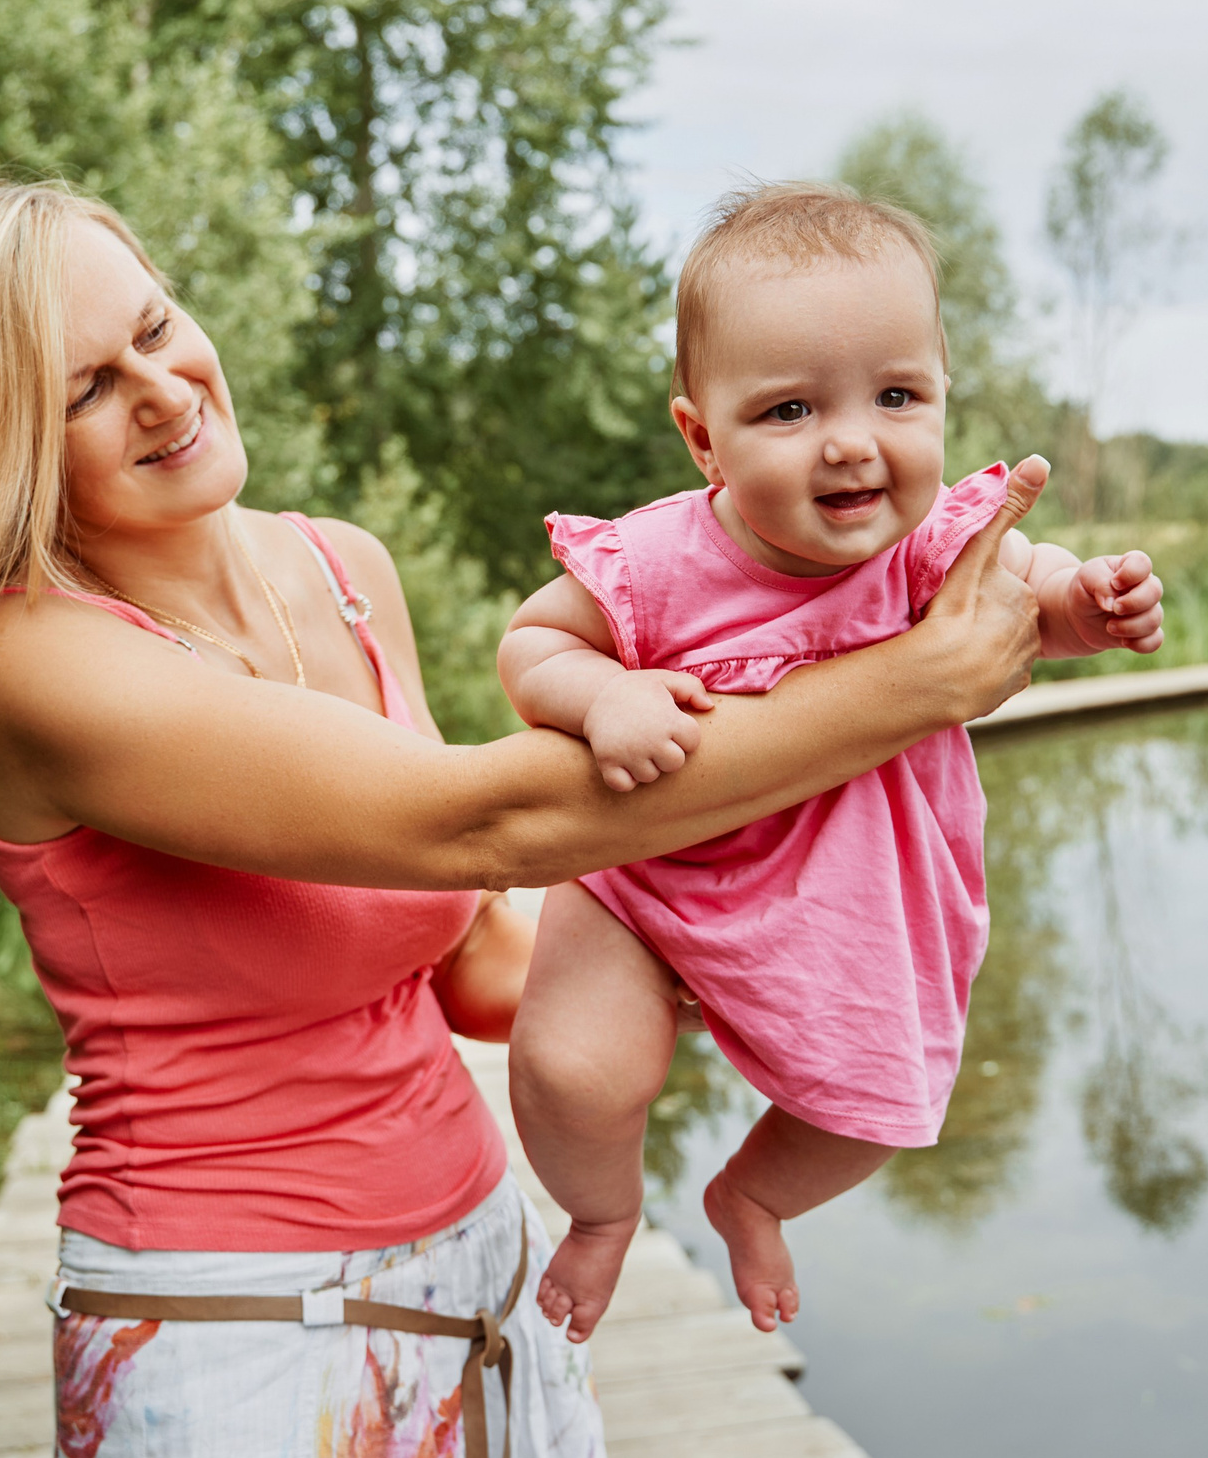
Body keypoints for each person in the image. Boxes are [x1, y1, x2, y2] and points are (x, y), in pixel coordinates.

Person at [0, 180, 1058, 1458]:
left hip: (482, 1279)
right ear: (0, 445)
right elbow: (484, 823)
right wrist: (921, 681)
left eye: (157, 323)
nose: (162, 387)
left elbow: (476, 948)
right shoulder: (29, 662)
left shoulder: (342, 570)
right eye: (85, 386)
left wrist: (751, 960)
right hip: (230, 1327)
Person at [498, 183, 1167, 1344]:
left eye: (896, 395)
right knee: (571, 1067)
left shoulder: (938, 547)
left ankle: (750, 1191)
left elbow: (1028, 601)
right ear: (702, 435)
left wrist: (1085, 602)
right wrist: (601, 692)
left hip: (851, 892)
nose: (853, 440)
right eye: (791, 408)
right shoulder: (658, 557)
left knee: (878, 1101)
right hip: (648, 875)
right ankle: (602, 1214)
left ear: (943, 391)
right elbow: (532, 640)